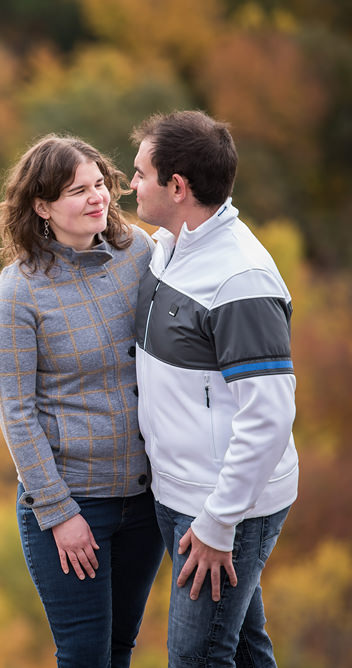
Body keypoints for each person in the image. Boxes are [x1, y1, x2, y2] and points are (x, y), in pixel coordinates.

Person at [0, 135, 164, 668]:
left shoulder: (139, 253)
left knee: (120, 648)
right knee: (85, 655)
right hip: (72, 503)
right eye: (77, 191)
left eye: (100, 184)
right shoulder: (19, 291)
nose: (97, 198)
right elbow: (16, 414)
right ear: (42, 207)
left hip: (146, 500)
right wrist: (60, 512)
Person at [129, 110, 299, 667]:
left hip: (222, 507)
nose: (130, 184)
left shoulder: (240, 279)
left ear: (176, 187)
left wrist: (219, 522)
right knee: (245, 649)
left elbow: (269, 418)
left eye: (139, 174)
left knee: (197, 658)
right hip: (178, 491)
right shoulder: (169, 245)